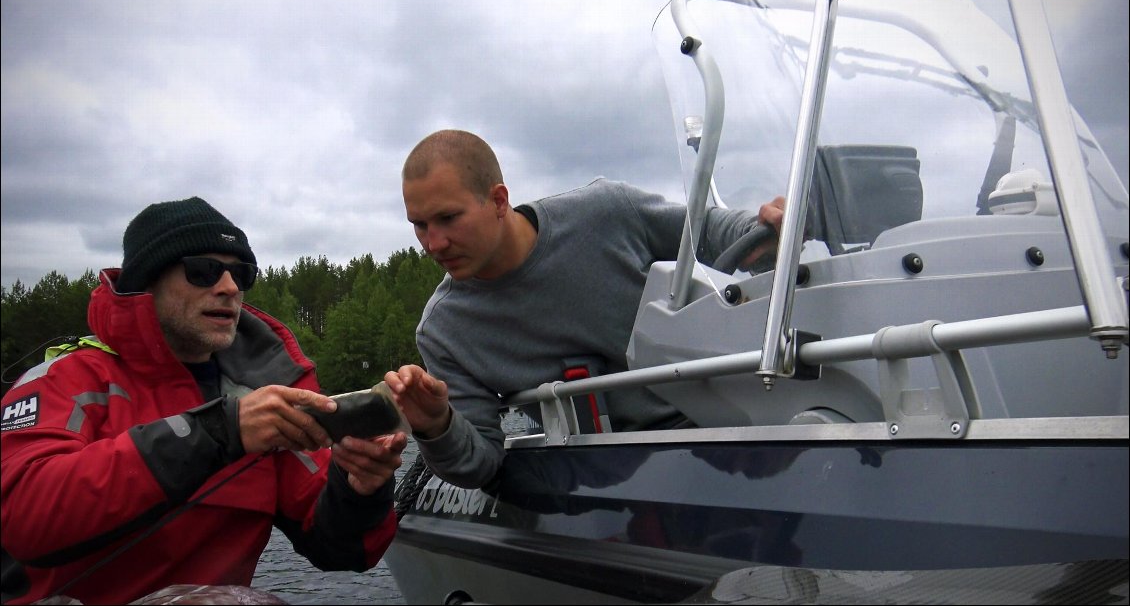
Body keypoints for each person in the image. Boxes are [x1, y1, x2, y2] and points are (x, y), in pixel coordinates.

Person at [0, 197, 407, 605]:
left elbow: (344, 550)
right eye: (204, 270)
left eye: (241, 273)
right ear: (149, 280)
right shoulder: (64, 380)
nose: (229, 287)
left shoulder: (262, 395)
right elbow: (20, 518)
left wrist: (359, 488)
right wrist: (217, 431)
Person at [384, 129, 785, 490]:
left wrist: (764, 229)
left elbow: (712, 233)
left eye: (448, 218)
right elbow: (479, 463)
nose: (434, 244)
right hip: (608, 488)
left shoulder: (607, 211)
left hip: (738, 428)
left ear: (498, 200)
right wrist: (437, 424)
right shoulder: (443, 331)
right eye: (419, 225)